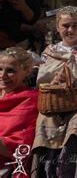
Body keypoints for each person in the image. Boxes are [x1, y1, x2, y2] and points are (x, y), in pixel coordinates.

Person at [30, 6, 77, 177]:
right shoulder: (50, 52)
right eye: (65, 25)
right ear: (57, 27)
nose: (70, 30)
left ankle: (74, 171)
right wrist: (54, 81)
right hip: (55, 102)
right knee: (44, 120)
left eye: (75, 25)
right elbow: (41, 82)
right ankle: (43, 171)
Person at [0, 47, 38, 176]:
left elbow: (21, 148)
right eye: (0, 69)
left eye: (10, 71)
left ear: (26, 72)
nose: (2, 75)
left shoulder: (30, 99)